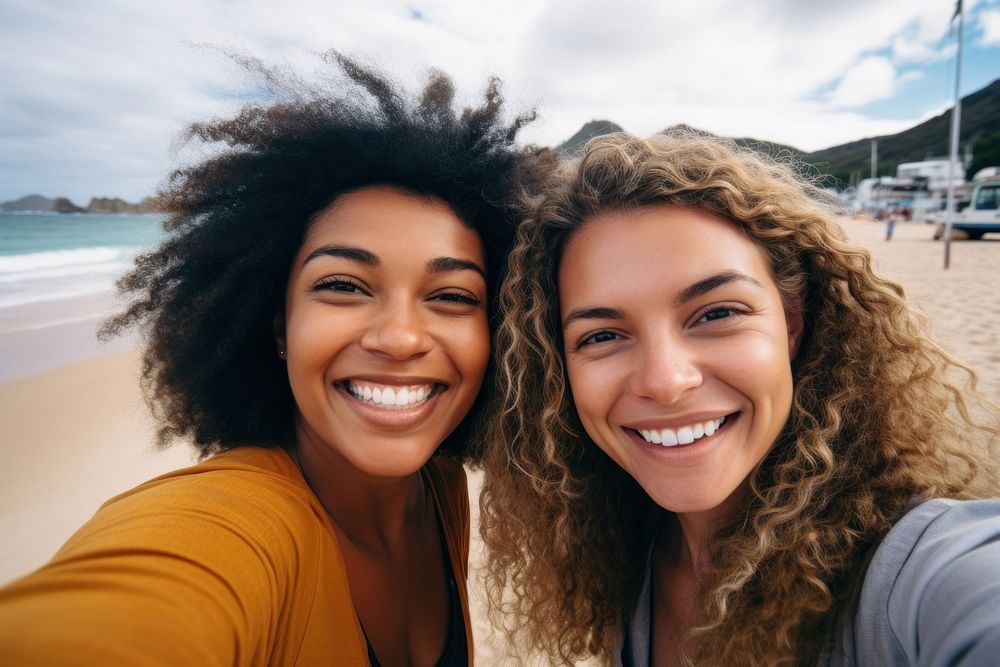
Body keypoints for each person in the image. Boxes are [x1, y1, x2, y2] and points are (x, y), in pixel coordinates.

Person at [0, 53, 538, 666]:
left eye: (451, 296)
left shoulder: (439, 486)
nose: (399, 338)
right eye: (343, 285)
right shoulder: (230, 523)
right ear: (278, 323)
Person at [478, 132, 1000, 666]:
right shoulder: (626, 551)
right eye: (602, 335)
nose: (664, 380)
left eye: (717, 313)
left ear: (792, 324)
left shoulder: (922, 574)